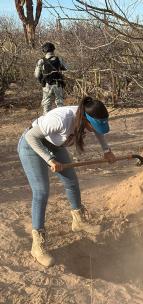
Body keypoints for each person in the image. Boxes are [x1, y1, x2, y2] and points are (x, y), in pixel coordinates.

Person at [17, 97, 116, 267]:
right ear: (85, 119)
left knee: (71, 181)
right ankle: (37, 245)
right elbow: (31, 137)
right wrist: (49, 160)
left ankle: (78, 221)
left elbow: (98, 130)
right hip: (31, 146)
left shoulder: (86, 117)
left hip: (55, 145)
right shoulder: (61, 119)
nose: (94, 130)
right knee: (41, 192)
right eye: (93, 126)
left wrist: (106, 150)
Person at [34, 42, 67, 115]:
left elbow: (36, 75)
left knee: (46, 104)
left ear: (44, 51)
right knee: (60, 103)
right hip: (58, 84)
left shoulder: (41, 61)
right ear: (53, 50)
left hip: (47, 85)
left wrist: (41, 79)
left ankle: (46, 121)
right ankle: (61, 120)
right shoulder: (59, 59)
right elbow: (66, 68)